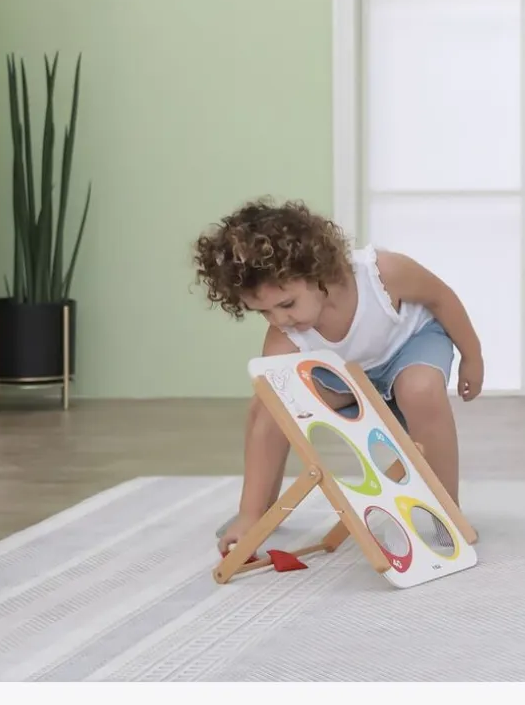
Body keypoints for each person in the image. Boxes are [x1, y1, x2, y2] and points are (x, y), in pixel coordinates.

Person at [193, 199, 483, 558]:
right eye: (263, 312)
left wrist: (473, 357)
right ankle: (257, 512)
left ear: (319, 272)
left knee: (419, 390)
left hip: (410, 347)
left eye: (286, 304)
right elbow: (272, 410)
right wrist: (249, 514)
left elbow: (441, 299)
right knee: (268, 405)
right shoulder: (284, 335)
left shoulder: (382, 274)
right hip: (350, 377)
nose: (279, 320)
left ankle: (447, 510)